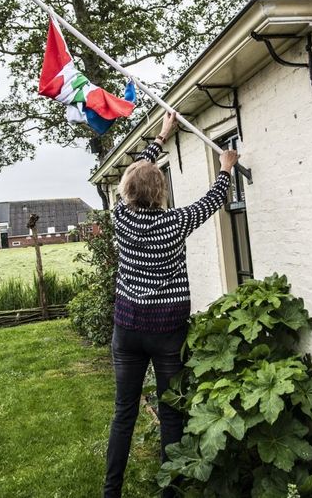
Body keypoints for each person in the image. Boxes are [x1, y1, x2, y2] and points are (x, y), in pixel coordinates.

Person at [103, 111, 239, 498]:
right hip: (167, 331)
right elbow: (213, 200)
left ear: (128, 193)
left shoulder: (121, 219)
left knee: (123, 411)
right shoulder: (176, 221)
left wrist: (161, 137)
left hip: (128, 329)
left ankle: (111, 492)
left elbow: (139, 171)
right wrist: (225, 168)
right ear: (160, 191)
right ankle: (170, 494)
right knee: (171, 414)